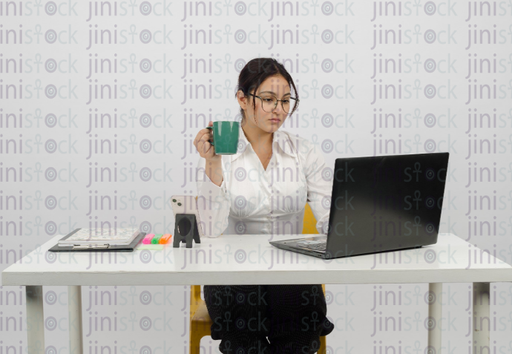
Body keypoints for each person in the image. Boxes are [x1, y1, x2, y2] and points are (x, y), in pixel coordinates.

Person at [193, 58, 334, 354]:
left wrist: (344, 230)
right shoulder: (222, 150)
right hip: (232, 274)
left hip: (290, 272)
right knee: (244, 338)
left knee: (298, 331)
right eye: (268, 100)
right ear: (242, 99)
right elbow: (208, 231)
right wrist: (213, 163)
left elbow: (330, 215)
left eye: (285, 101)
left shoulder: (301, 151)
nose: (279, 110)